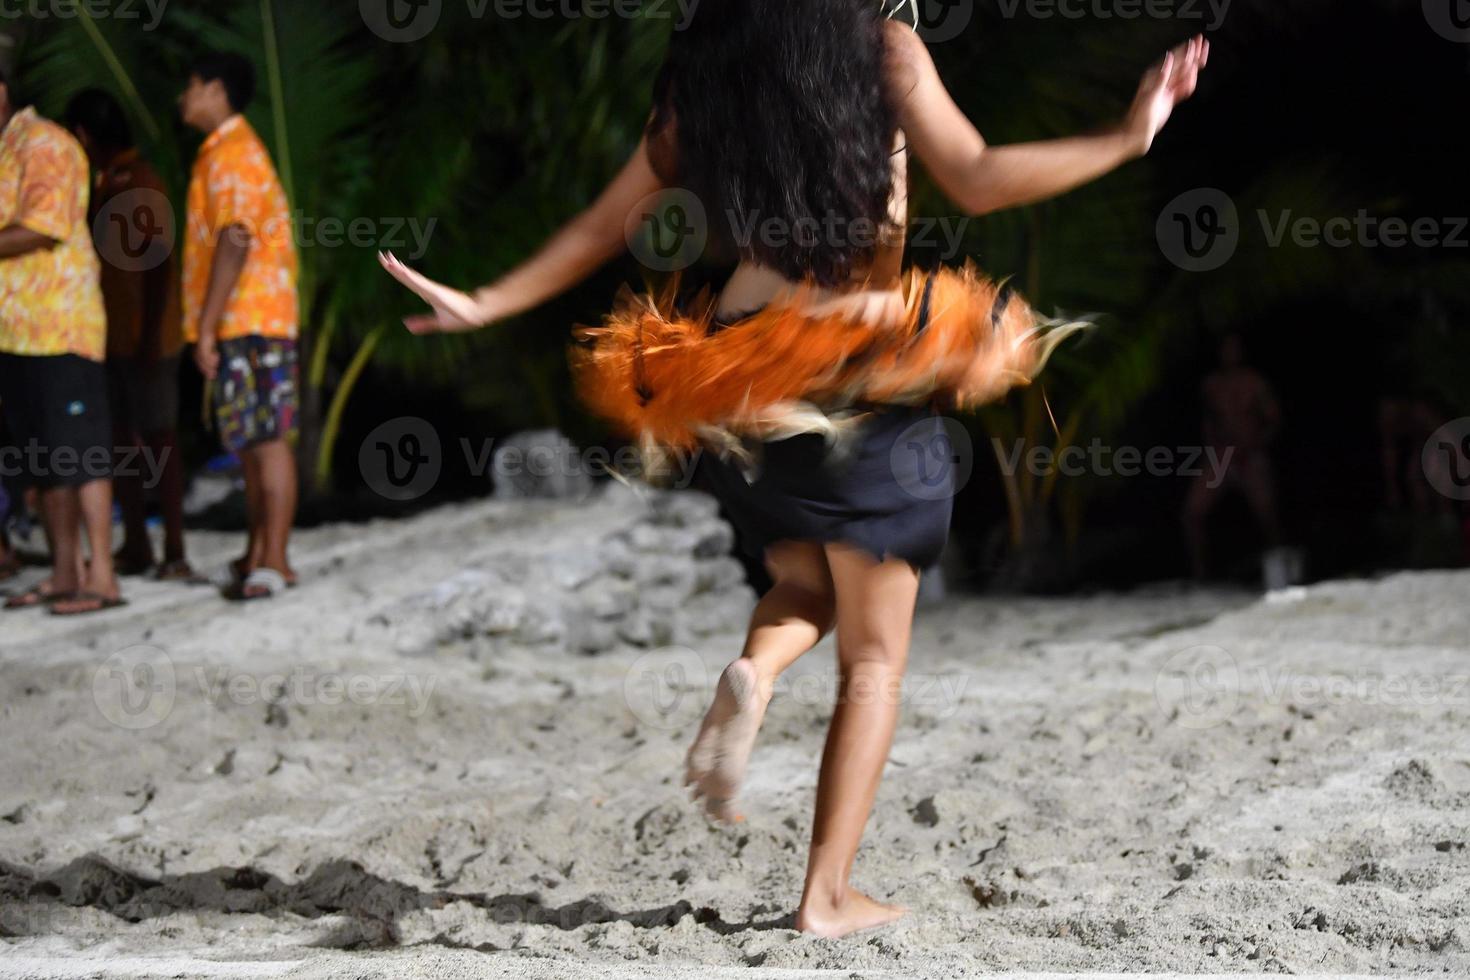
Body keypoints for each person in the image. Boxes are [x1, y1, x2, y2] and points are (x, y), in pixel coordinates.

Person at [382, 1, 1207, 937]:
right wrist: (1127, 135)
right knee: (875, 657)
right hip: (861, 366)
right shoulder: (883, 47)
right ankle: (825, 896)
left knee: (803, 578)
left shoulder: (708, 68)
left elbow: (605, 224)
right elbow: (978, 179)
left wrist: (488, 300)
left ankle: (757, 671)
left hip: (739, 376)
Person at [0, 66, 124, 616]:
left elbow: (43, 227)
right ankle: (63, 574)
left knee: (82, 459)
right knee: (44, 461)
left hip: (60, 329)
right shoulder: (6, 150)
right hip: (16, 334)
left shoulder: (43, 142)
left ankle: (104, 578)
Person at [179, 53, 300, 600]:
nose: (183, 97)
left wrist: (205, 327)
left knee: (267, 440)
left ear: (216, 90)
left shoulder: (232, 153)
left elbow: (235, 237)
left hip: (254, 317)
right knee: (251, 442)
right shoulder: (222, 152)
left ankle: (275, 558)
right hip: (247, 318)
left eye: (191, 85)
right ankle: (258, 553)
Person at [66, 88, 194, 583]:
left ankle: (176, 549)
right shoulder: (110, 183)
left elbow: (160, 262)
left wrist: (147, 338)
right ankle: (138, 543)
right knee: (120, 441)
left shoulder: (140, 181)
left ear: (84, 135)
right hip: (112, 336)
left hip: (149, 340)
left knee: (159, 439)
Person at [1183, 332, 1283, 580]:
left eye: (1234, 349)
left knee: (1267, 514)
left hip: (1251, 454)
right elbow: (1208, 422)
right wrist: (1212, 450)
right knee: (1192, 512)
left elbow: (1274, 420)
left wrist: (1256, 445)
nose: (1230, 354)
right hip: (1221, 456)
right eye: (1226, 349)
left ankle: (1280, 567)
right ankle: (1201, 573)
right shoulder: (1211, 384)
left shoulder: (1254, 382)